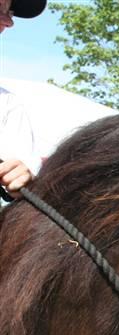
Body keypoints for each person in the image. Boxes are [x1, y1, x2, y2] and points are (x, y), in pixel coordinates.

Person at [0, 0, 47, 198]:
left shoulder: (7, 105)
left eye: (7, 10)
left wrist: (24, 183)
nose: (8, 21)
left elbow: (28, 196)